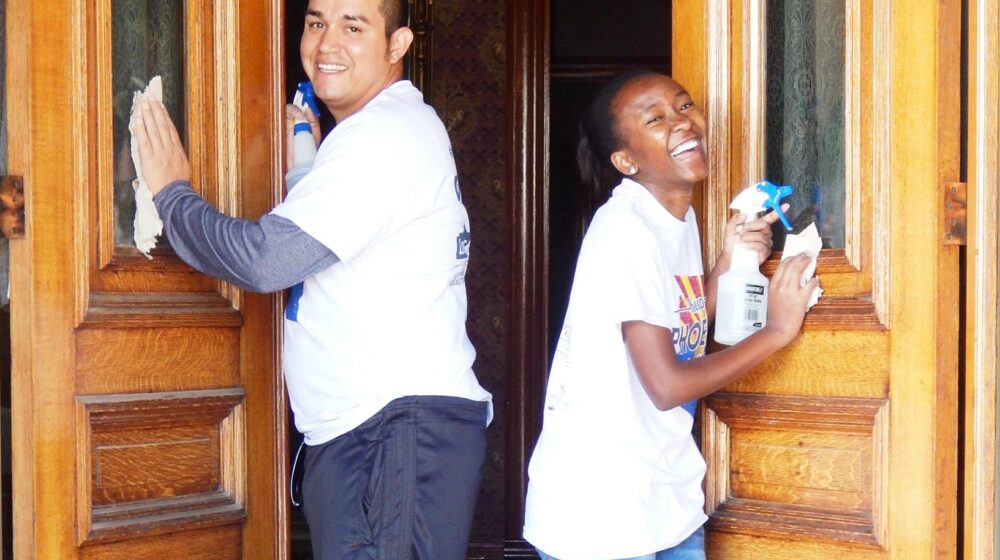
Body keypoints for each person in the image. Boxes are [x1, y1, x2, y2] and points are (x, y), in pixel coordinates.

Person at [131, 0, 493, 558]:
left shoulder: (385, 136)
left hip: (396, 429)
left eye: (354, 27)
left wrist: (172, 195)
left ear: (397, 46)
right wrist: (307, 161)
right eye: (316, 22)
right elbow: (343, 239)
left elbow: (266, 261)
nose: (327, 44)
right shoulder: (377, 132)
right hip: (375, 428)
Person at [522, 69, 818, 560]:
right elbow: (666, 386)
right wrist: (776, 330)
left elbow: (675, 318)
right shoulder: (624, 230)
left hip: (664, 501)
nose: (682, 122)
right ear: (625, 160)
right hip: (599, 516)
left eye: (684, 106)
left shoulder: (676, 219)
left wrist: (724, 267)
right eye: (656, 119)